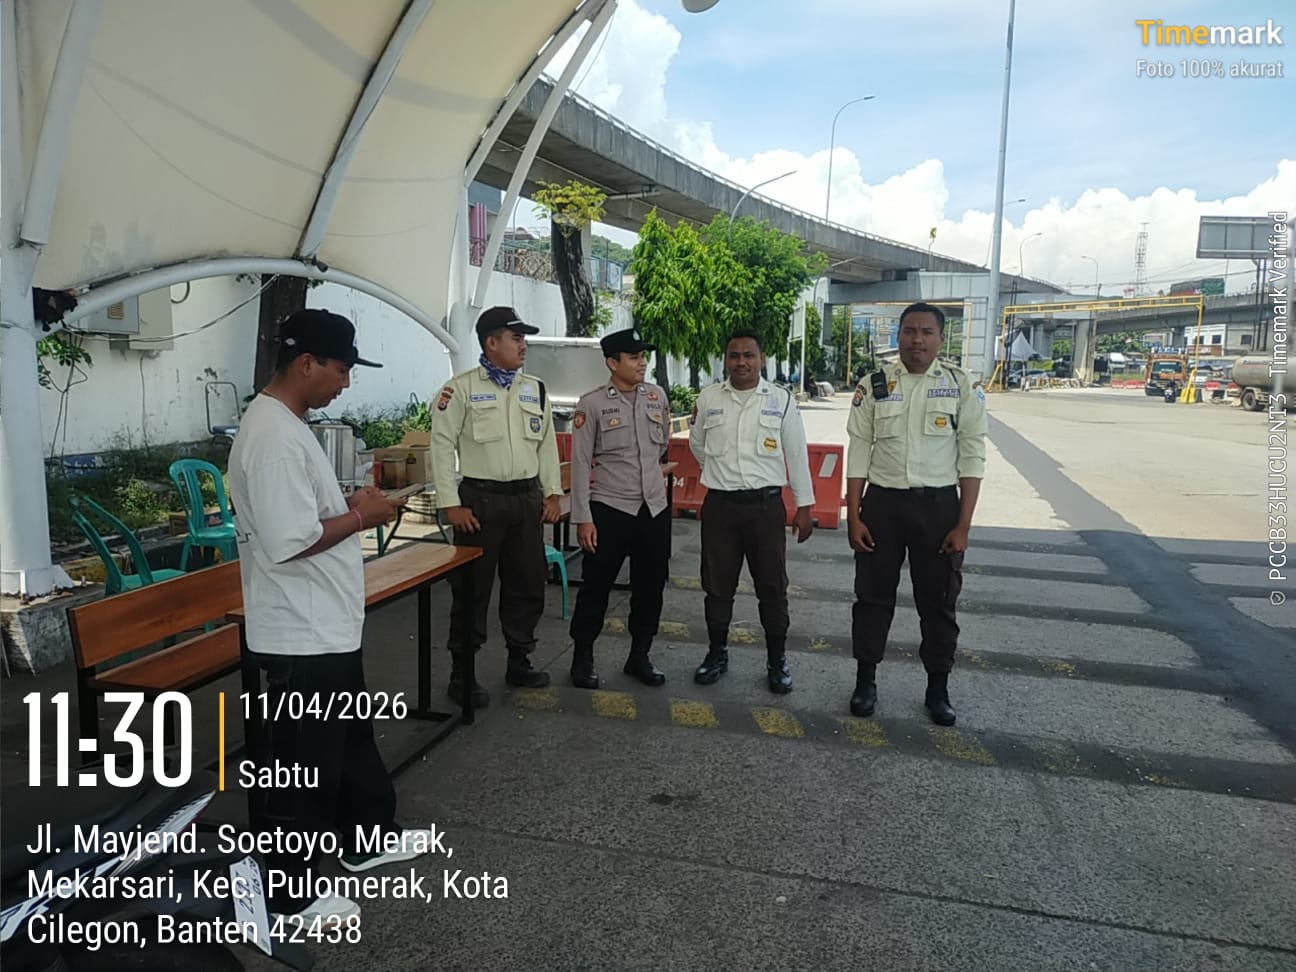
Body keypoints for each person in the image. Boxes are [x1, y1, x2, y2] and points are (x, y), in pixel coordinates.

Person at [228, 308, 427, 926]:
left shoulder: (289, 425)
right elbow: (290, 540)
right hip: (299, 632)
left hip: (323, 625)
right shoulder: (273, 437)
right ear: (306, 363)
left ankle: (366, 837)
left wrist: (347, 502)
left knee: (347, 739)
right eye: (341, 370)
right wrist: (363, 517)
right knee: (301, 766)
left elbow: (301, 513)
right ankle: (288, 894)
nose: (345, 383)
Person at [844, 301, 987, 726]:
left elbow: (972, 456)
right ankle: (865, 682)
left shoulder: (961, 386)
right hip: (882, 506)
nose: (917, 340)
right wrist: (854, 515)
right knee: (872, 599)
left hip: (938, 508)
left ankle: (938, 688)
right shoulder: (874, 384)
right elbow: (858, 451)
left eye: (926, 332)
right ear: (899, 336)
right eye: (909, 331)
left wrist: (963, 524)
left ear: (941, 338)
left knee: (939, 603)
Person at [429, 306, 564, 707]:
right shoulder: (460, 389)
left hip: (525, 500)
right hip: (480, 503)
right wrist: (450, 504)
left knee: (527, 583)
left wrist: (552, 493)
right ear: (491, 342)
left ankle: (519, 660)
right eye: (516, 338)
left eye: (524, 339)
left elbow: (546, 445)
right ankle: (463, 674)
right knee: (472, 589)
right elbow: (441, 446)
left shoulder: (535, 389)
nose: (524, 346)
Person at [688, 330, 814, 694]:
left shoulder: (780, 400)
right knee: (716, 587)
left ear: (762, 359)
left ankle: (777, 661)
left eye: (748, 355)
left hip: (765, 509)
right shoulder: (709, 398)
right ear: (725, 360)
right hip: (721, 508)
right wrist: (721, 472)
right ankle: (717, 654)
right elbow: (697, 444)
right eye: (734, 355)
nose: (741, 362)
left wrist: (804, 506)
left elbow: (796, 454)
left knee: (772, 589)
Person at [567, 327, 671, 690]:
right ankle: (582, 658)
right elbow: (581, 463)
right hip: (610, 508)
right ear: (612, 363)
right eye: (634, 357)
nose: (642, 363)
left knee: (651, 587)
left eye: (644, 357)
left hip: (653, 509)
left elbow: (662, 446)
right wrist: (583, 518)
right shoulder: (592, 404)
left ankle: (639, 655)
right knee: (596, 587)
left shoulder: (657, 396)